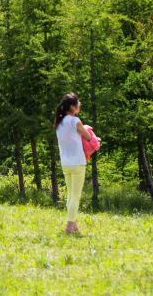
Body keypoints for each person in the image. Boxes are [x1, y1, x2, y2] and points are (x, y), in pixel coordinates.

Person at [53, 93, 94, 234]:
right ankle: (69, 226)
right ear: (72, 106)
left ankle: (74, 225)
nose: (80, 103)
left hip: (65, 163)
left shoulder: (59, 122)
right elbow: (88, 137)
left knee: (71, 194)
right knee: (75, 196)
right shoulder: (74, 121)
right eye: (78, 102)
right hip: (77, 162)